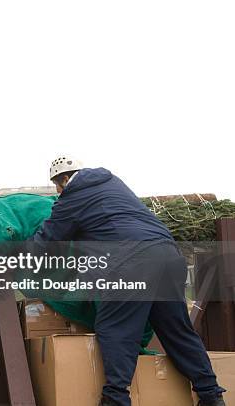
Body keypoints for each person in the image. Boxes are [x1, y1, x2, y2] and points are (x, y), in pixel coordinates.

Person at [30, 156, 226, 406]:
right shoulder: (113, 183)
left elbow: (48, 239)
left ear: (65, 179)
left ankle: (116, 398)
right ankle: (211, 394)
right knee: (177, 330)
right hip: (167, 254)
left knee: (116, 329)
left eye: (58, 187)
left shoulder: (72, 197)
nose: (58, 193)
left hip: (131, 261)